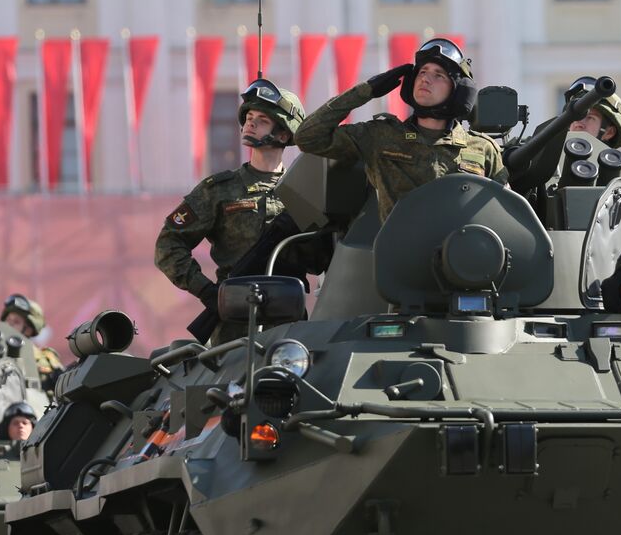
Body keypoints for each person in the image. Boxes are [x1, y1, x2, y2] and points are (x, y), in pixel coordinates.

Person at [155, 79, 308, 343]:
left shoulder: (304, 191)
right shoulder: (219, 190)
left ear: (283, 134)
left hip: (289, 323)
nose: (250, 123)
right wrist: (208, 293)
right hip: (234, 324)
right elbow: (168, 245)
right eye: (249, 117)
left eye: (262, 119)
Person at [295, 37, 507, 221]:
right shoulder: (382, 136)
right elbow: (307, 137)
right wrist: (366, 90)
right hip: (400, 260)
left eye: (438, 75)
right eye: (422, 71)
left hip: (464, 260)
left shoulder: (482, 149)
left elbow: (505, 212)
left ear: (458, 91)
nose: (425, 78)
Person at [1, 294, 65, 390]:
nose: (9, 325)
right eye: (8, 320)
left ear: (28, 330)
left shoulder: (46, 360)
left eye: (16, 322)